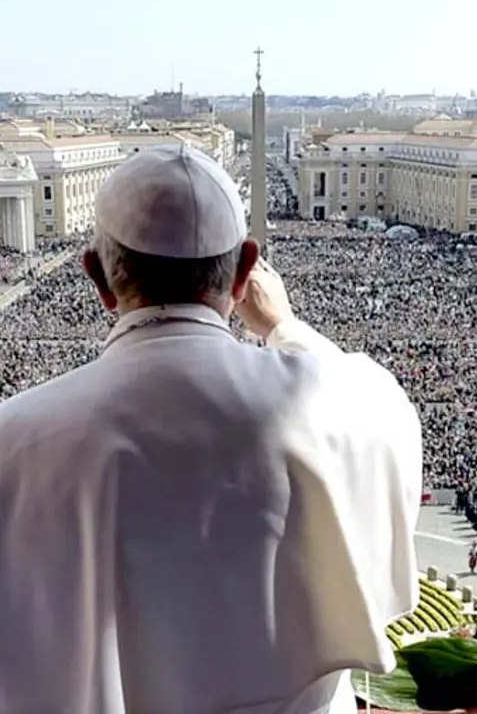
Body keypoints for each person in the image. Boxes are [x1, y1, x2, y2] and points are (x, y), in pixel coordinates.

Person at [0, 145, 424, 714]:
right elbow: (385, 405)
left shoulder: (16, 438)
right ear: (247, 270)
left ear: (97, 277)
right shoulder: (339, 402)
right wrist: (284, 328)